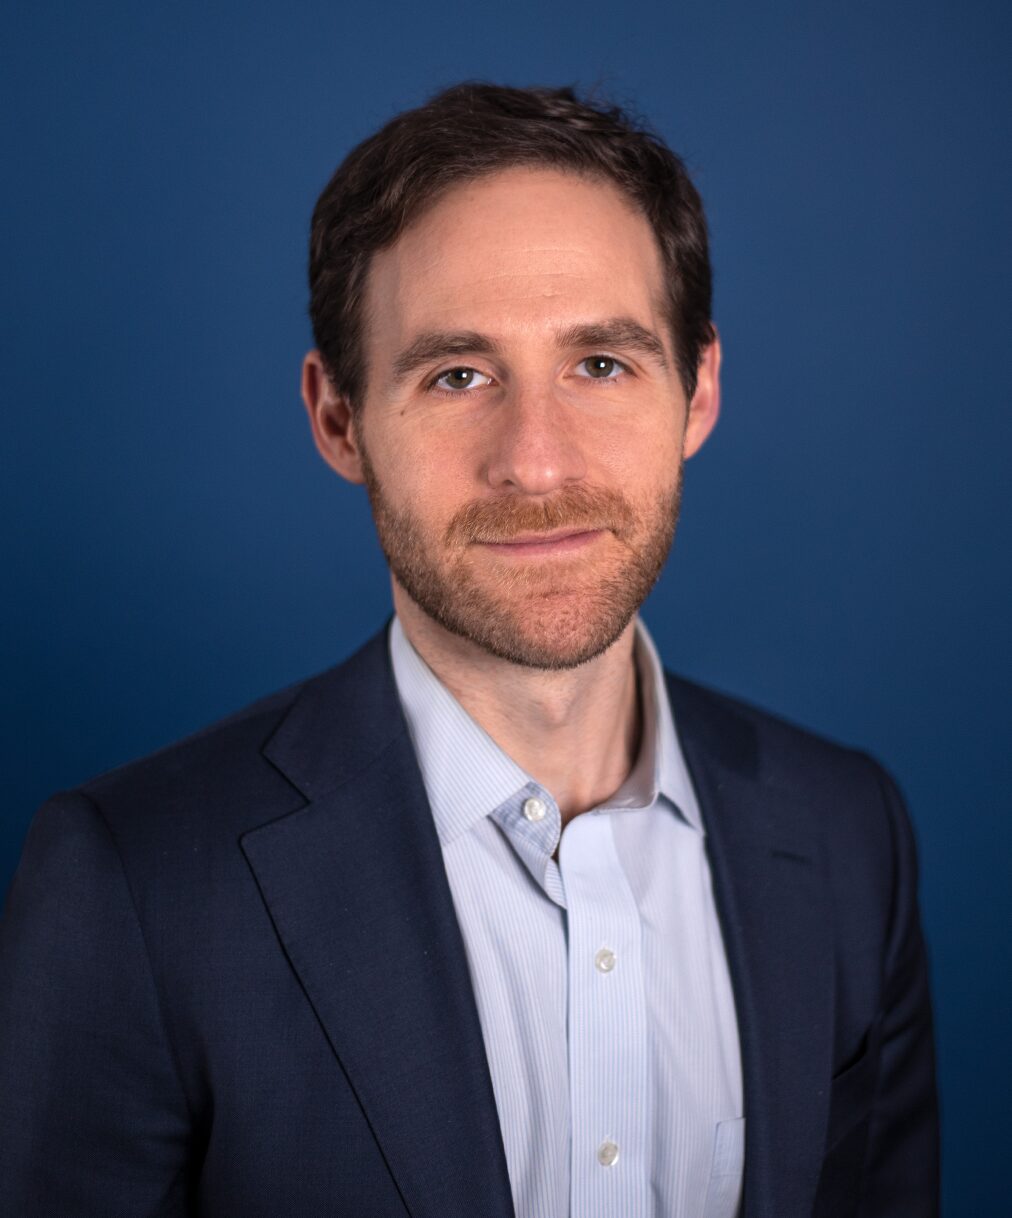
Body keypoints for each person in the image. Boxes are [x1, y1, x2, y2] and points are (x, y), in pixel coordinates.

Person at [0, 83, 938, 1217]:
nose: (536, 463)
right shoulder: (134, 884)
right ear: (339, 420)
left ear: (697, 394)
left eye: (601, 364)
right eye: (458, 375)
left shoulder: (848, 832)